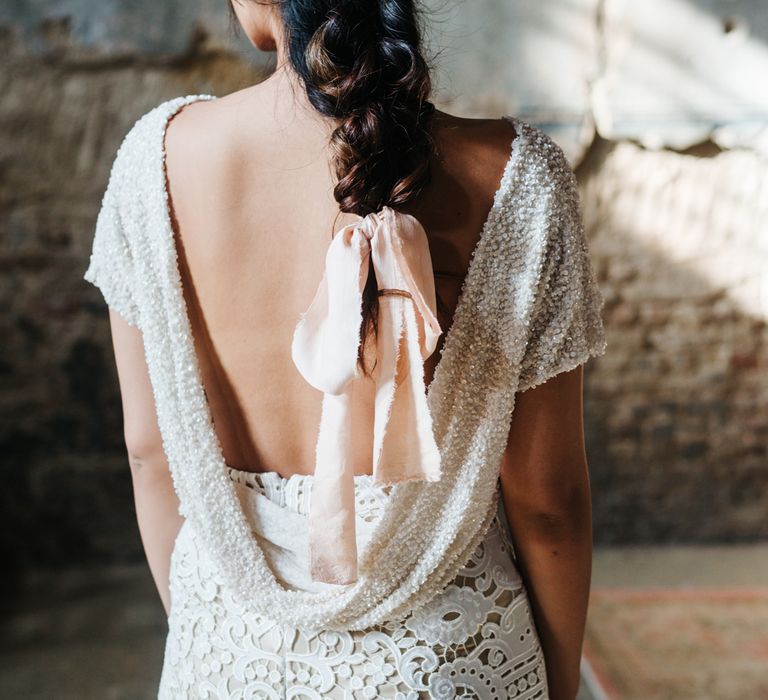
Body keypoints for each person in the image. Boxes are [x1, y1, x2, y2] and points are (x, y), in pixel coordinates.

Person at [82, 0, 607, 697]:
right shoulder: (518, 176)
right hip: (449, 666)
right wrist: (560, 682)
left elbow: (150, 453)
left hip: (227, 660)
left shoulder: (155, 161)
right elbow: (548, 502)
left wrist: (220, 636)